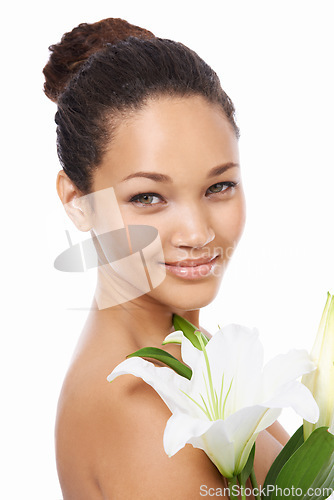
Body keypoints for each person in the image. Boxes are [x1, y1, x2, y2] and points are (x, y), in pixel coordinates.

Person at [43, 17, 289, 499]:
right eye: (149, 197)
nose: (198, 233)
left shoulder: (190, 348)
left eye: (219, 187)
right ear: (77, 200)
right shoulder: (142, 411)